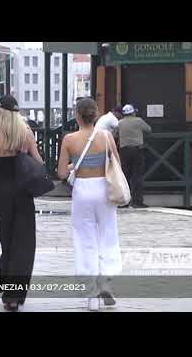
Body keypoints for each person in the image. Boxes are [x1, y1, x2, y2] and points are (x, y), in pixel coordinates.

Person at [57, 97, 123, 311]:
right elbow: (117, 165)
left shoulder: (69, 139)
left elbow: (60, 173)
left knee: (85, 239)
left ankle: (91, 295)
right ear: (95, 115)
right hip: (104, 189)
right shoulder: (106, 136)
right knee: (107, 234)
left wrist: (74, 164)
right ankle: (106, 283)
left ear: (77, 115)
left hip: (83, 190)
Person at [0, 95, 42, 312]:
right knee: (23, 244)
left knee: (6, 242)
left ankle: (8, 292)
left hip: (1, 194)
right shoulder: (26, 134)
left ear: (0, 112)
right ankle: (16, 295)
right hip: (23, 193)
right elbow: (39, 163)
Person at [114, 104, 152, 208]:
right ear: (133, 113)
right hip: (137, 150)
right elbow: (149, 129)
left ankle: (124, 202)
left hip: (124, 151)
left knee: (125, 176)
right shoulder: (139, 121)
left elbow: (115, 134)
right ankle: (137, 201)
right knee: (137, 176)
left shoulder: (120, 123)